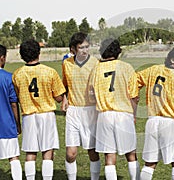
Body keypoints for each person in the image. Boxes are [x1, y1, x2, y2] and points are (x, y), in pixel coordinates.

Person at [12, 39, 66, 179]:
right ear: (39, 53)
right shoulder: (50, 72)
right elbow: (59, 97)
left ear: (22, 55)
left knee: (31, 152)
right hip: (46, 114)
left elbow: (17, 96)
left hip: (28, 116)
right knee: (48, 151)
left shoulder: (17, 74)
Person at [88, 38, 140, 180]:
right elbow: (134, 96)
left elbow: (91, 96)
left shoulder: (95, 69)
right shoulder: (126, 67)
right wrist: (133, 115)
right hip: (124, 114)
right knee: (131, 154)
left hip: (104, 115)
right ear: (118, 52)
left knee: (109, 157)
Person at [137, 47, 174, 180]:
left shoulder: (153, 70)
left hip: (152, 121)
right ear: (173, 60)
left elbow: (135, 78)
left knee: (150, 163)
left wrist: (134, 97)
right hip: (170, 122)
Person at [61, 32, 101, 180]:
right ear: (73, 49)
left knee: (92, 151)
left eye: (87, 47)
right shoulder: (67, 63)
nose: (85, 50)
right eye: (81, 47)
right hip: (73, 111)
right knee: (71, 153)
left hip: (91, 111)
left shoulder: (95, 63)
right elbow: (64, 85)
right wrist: (64, 99)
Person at [0, 44, 22, 180]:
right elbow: (14, 104)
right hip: (7, 124)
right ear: (2, 58)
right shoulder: (9, 78)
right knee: (13, 157)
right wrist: (17, 123)